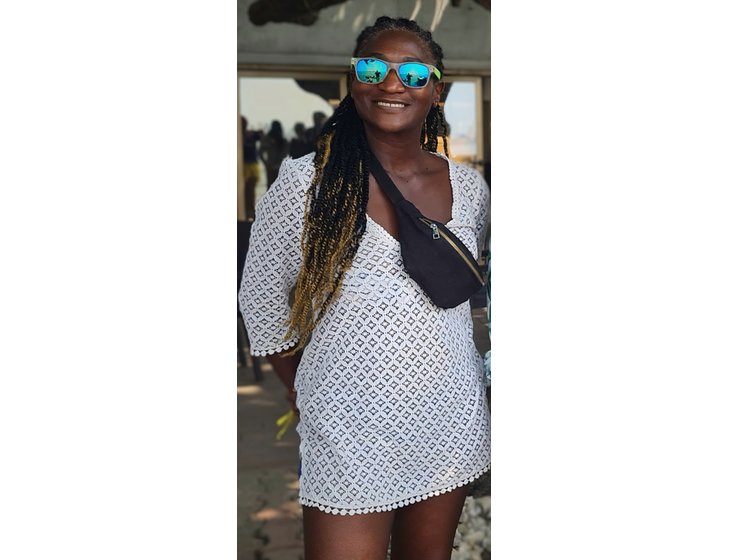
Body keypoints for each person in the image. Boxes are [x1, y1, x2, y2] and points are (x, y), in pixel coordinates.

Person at [239, 16, 490, 560]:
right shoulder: (307, 182)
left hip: (448, 415)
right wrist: (303, 388)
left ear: (436, 91)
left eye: (413, 73)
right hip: (347, 421)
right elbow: (262, 298)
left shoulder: (469, 188)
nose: (391, 83)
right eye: (373, 68)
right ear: (354, 81)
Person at [241, 115, 263, 220]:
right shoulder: (245, 135)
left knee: (249, 190)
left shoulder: (248, 134)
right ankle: (248, 212)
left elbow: (260, 136)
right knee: (247, 190)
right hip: (247, 165)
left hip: (249, 165)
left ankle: (250, 212)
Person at [260, 119, 290, 188]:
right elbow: (285, 154)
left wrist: (266, 163)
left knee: (271, 187)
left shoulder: (269, 140)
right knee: (279, 188)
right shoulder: (283, 141)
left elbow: (260, 153)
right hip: (278, 167)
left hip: (272, 166)